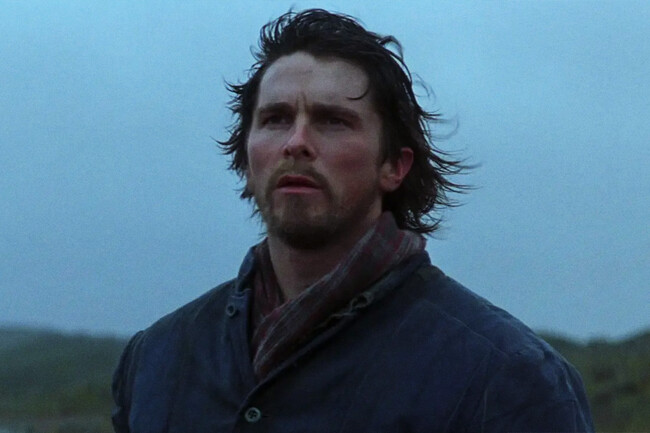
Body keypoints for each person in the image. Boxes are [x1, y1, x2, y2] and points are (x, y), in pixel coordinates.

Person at [111, 9, 594, 433]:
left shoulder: (506, 380)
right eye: (276, 119)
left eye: (332, 121)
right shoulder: (158, 360)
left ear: (394, 166)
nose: (296, 143)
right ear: (246, 156)